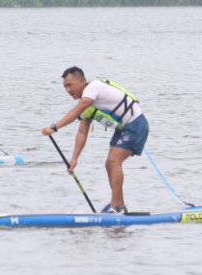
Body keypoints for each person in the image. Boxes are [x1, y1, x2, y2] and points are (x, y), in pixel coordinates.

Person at [41, 68, 148, 214]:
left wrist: (54, 127)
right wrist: (74, 159)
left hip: (136, 124)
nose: (67, 90)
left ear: (81, 82)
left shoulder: (93, 88)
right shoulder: (87, 104)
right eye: (65, 87)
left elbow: (75, 111)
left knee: (113, 162)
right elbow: (82, 132)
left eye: (70, 85)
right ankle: (120, 206)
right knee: (108, 164)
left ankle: (114, 206)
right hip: (122, 128)